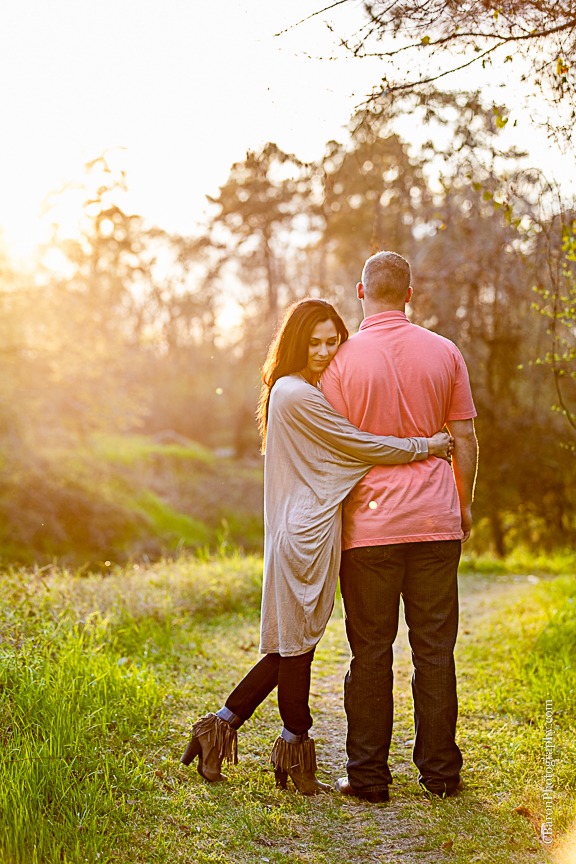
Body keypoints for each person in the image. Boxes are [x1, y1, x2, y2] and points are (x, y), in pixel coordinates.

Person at [180, 298, 454, 795]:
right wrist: (425, 446)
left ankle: (217, 728)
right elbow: (357, 444)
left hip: (312, 529)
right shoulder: (294, 393)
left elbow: (343, 445)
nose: (326, 351)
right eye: (315, 342)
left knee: (291, 646)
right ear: (295, 344)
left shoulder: (298, 390)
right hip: (302, 534)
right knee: (297, 649)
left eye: (333, 341)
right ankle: (296, 753)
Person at [321, 251, 478, 803]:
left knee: (370, 651)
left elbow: (337, 449)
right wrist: (462, 506)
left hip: (369, 528)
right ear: (410, 294)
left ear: (361, 292)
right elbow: (465, 440)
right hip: (436, 521)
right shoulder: (444, 352)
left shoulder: (339, 361)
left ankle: (367, 777)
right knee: (435, 649)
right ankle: (440, 774)